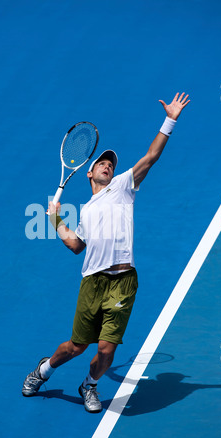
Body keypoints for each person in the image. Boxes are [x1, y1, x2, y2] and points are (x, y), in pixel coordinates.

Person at [22, 92, 190, 413]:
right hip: (92, 283)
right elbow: (75, 246)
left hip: (123, 282)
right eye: (102, 162)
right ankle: (43, 370)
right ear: (89, 173)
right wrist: (55, 218)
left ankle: (90, 385)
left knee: (106, 349)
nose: (107, 166)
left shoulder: (124, 187)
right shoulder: (85, 211)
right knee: (76, 346)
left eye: (110, 164)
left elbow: (151, 156)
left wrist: (171, 119)